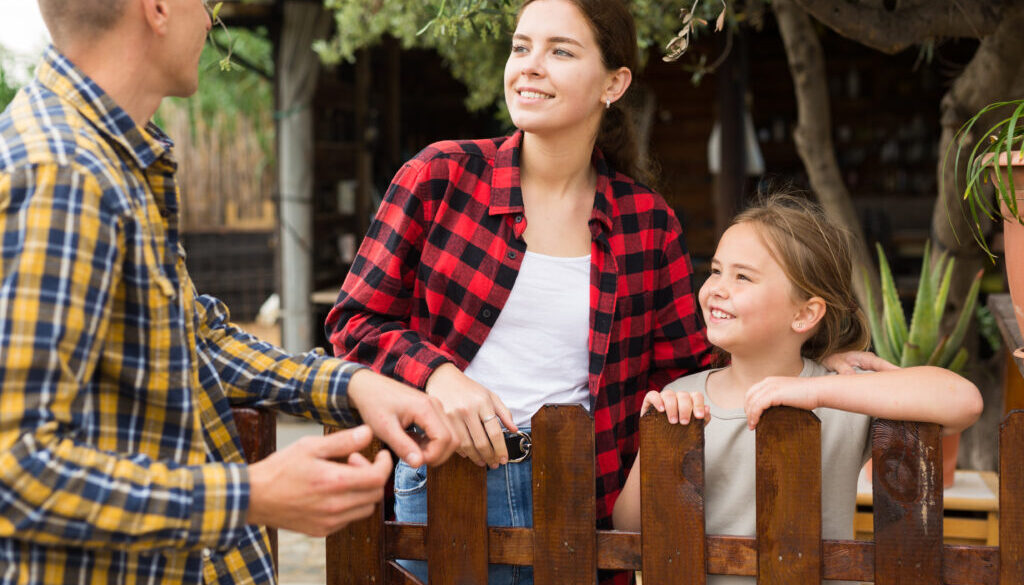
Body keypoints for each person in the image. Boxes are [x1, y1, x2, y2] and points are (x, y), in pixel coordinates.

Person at [0, 2, 457, 585]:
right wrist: (248, 495)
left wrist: (352, 383)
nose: (213, 20)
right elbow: (16, 470)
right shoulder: (63, 177)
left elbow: (196, 341)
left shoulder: (114, 159)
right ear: (158, 9)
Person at [326, 0, 714, 582]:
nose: (529, 65)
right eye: (521, 46)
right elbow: (353, 325)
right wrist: (439, 376)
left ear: (615, 82)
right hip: (444, 482)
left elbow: (688, 370)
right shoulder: (439, 178)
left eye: (560, 51)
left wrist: (816, 365)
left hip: (583, 495)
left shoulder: (646, 223)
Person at [612, 194, 984, 585]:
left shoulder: (836, 398)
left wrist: (816, 393)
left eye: (742, 277)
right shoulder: (681, 397)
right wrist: (659, 434)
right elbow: (627, 527)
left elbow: (964, 401)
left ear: (805, 314)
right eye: (716, 270)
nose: (717, 288)